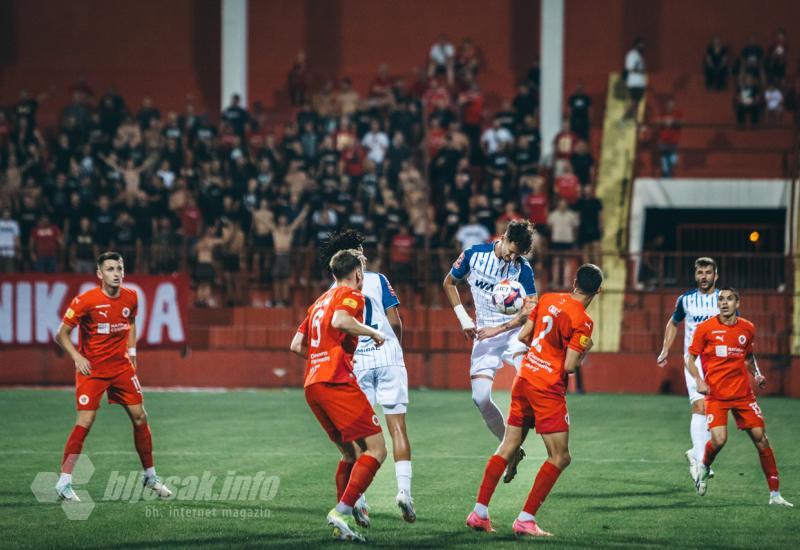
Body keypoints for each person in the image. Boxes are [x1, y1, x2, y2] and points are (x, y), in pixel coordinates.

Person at [466, 264, 602, 537]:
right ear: (598, 291)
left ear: (574, 281)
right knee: (560, 456)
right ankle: (525, 520)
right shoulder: (584, 322)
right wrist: (585, 349)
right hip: (547, 388)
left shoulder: (548, 298)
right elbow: (570, 366)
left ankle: (479, 513)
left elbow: (523, 336)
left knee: (508, 446)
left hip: (524, 378)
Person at [53, 252, 172, 502]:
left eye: (119, 268)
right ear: (99, 274)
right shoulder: (86, 301)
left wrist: (132, 352)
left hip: (120, 368)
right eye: (110, 269)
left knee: (140, 417)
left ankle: (150, 475)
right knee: (85, 422)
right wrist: (77, 357)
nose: (116, 273)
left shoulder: (131, 297)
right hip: (92, 370)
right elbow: (61, 334)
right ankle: (64, 481)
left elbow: (129, 323)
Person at [289, 249, 388, 542]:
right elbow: (341, 322)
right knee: (377, 449)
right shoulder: (352, 295)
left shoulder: (318, 301)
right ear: (357, 273)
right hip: (336, 381)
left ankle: (342, 521)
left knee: (349, 453)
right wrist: (373, 332)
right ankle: (342, 510)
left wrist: (320, 356)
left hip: (313, 385)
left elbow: (296, 345)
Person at [321, 230, 416, 523]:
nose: (365, 256)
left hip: (357, 361)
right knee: (397, 426)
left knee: (360, 435)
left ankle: (358, 500)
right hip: (386, 353)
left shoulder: (332, 289)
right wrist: (396, 346)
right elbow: (394, 319)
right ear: (354, 258)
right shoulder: (378, 279)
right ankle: (404, 492)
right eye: (361, 252)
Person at [443, 220, 537, 482]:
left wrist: (502, 328)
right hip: (484, 334)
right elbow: (449, 283)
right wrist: (464, 319)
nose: (512, 256)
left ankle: (534, 420)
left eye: (518, 254)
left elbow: (531, 308)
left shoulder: (522, 268)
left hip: (513, 334)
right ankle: (513, 449)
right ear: (504, 237)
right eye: (511, 250)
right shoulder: (474, 255)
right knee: (481, 398)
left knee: (528, 378)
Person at [687, 288, 792, 507]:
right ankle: (704, 466)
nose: (724, 303)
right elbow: (690, 358)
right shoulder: (705, 329)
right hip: (716, 395)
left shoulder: (748, 328)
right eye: (721, 300)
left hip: (743, 394)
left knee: (761, 439)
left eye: (729, 299)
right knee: (719, 440)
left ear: (737, 303)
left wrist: (757, 373)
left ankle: (775, 494)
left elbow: (748, 355)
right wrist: (698, 380)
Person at [656, 257, 720, 482]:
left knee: (714, 413)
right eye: (700, 272)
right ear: (696, 275)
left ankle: (696, 452)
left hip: (719, 365)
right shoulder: (686, 300)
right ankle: (702, 461)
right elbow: (673, 323)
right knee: (700, 406)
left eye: (708, 272)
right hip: (694, 363)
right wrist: (665, 349)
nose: (704, 277)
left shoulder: (723, 300)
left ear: (716, 275)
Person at [624, 38, 647, 120]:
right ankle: (624, 118)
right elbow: (629, 68)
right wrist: (640, 71)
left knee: (637, 103)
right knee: (634, 101)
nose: (643, 47)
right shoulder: (631, 55)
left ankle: (635, 120)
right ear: (637, 45)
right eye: (641, 45)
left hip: (640, 83)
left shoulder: (639, 56)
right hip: (634, 83)